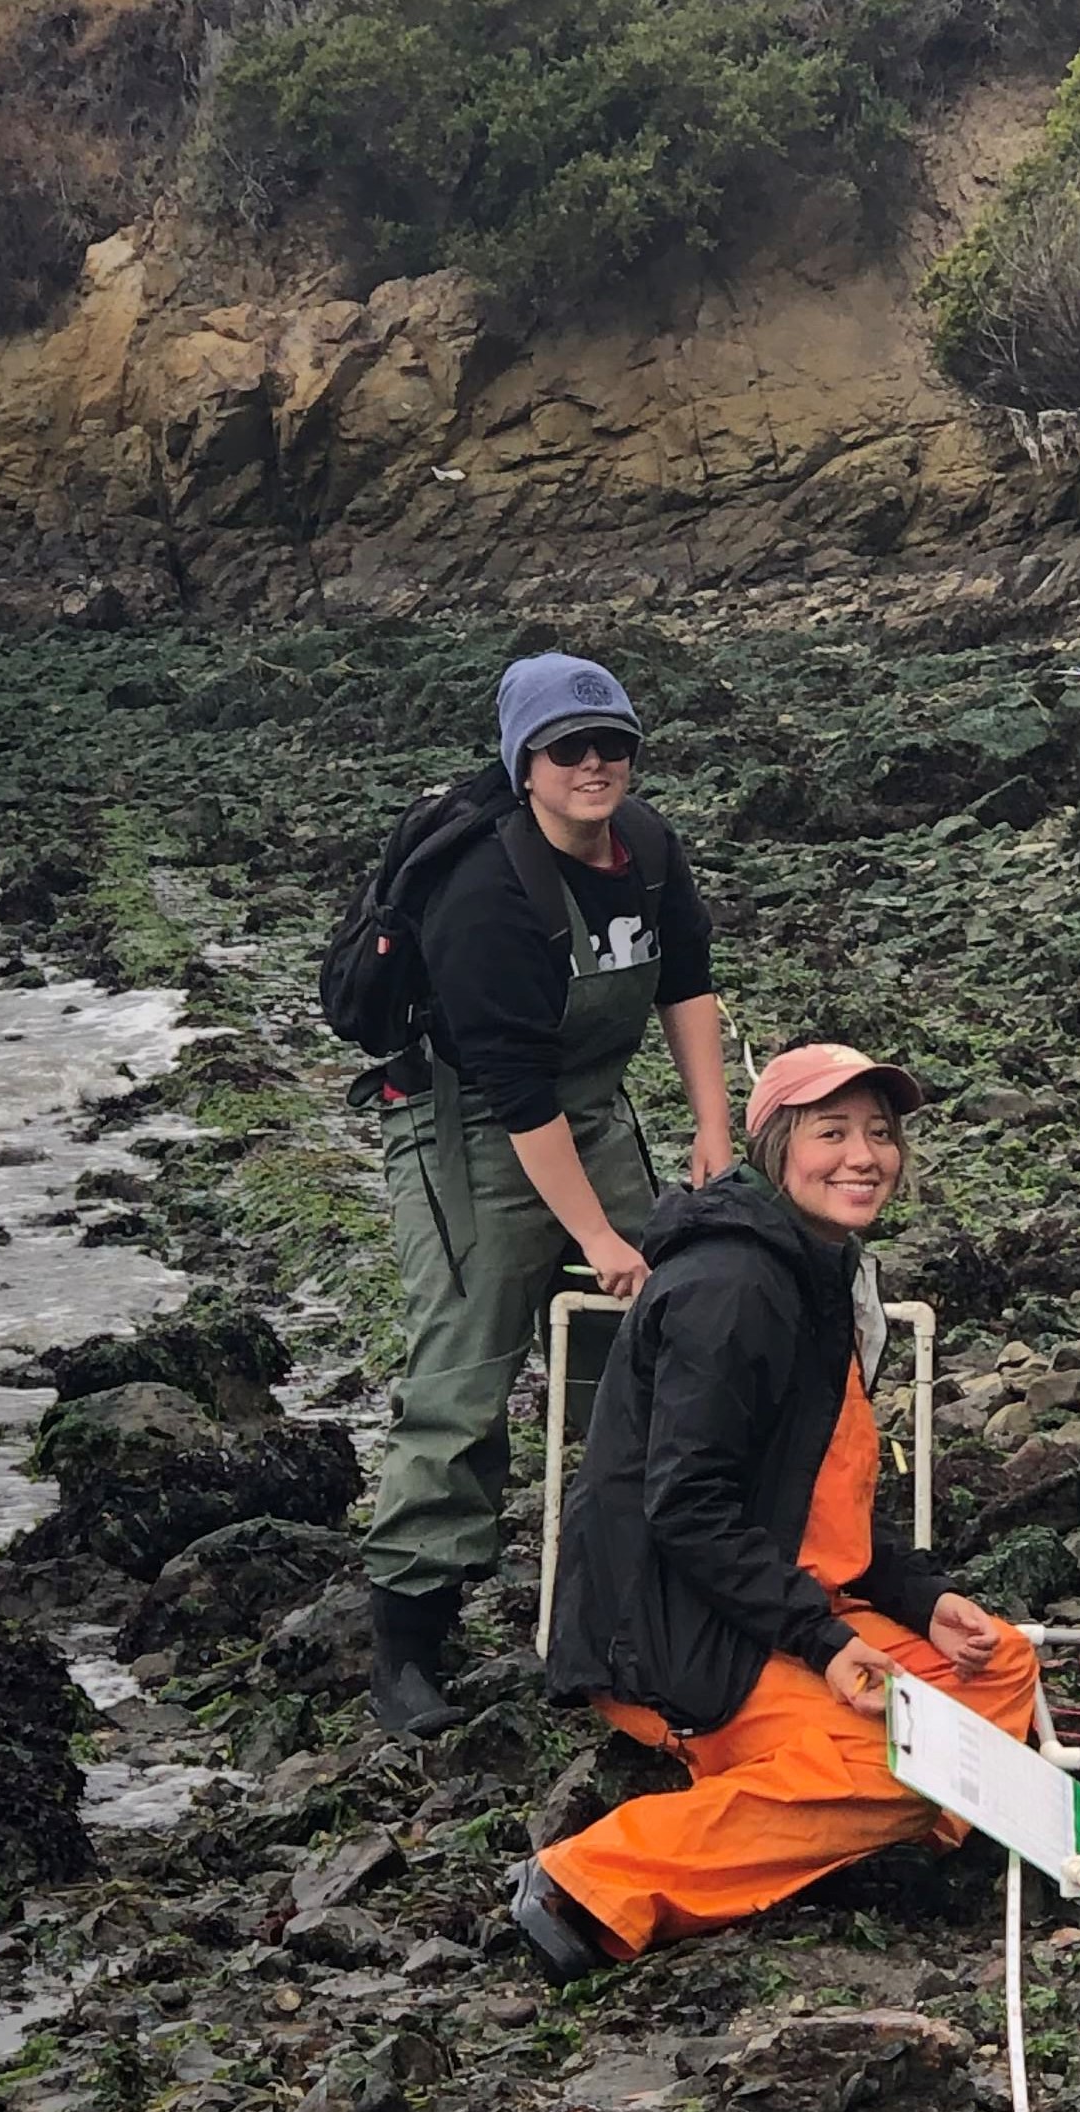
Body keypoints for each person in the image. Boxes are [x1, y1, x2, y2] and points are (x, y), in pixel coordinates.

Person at [513, 1044, 1042, 1980]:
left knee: (998, 1659)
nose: (862, 1156)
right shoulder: (736, 1287)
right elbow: (687, 1508)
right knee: (893, 1763)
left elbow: (808, 1493)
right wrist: (827, 1642)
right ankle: (590, 1880)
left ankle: (883, 1830)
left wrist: (920, 1601)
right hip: (675, 1630)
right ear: (773, 1150)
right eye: (830, 1133)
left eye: (880, 1134)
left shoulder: (816, 1266)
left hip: (772, 1601)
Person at [360, 652, 736, 1737]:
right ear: (524, 763)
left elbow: (687, 980)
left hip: (598, 1109)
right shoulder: (484, 892)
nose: (593, 764)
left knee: (637, 1355)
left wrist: (710, 1129)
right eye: (567, 748)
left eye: (611, 743)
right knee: (462, 1376)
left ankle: (630, 1592)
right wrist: (594, 1235)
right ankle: (409, 1641)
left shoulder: (650, 847)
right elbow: (518, 1098)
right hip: (472, 1128)